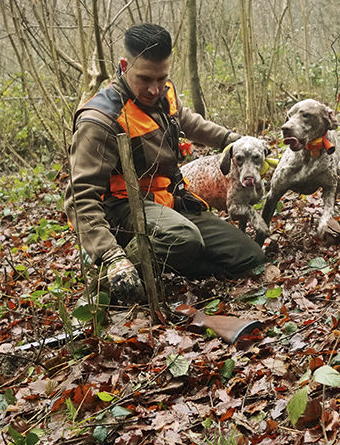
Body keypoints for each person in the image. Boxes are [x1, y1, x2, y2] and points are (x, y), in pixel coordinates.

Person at [63, 23, 266, 301]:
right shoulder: (100, 119)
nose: (154, 89)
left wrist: (232, 140)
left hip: (170, 202)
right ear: (124, 65)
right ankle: (107, 288)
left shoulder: (164, 93)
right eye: (145, 78)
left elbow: (188, 120)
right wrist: (110, 256)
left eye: (161, 78)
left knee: (249, 257)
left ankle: (171, 269)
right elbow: (79, 197)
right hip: (123, 211)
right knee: (184, 237)